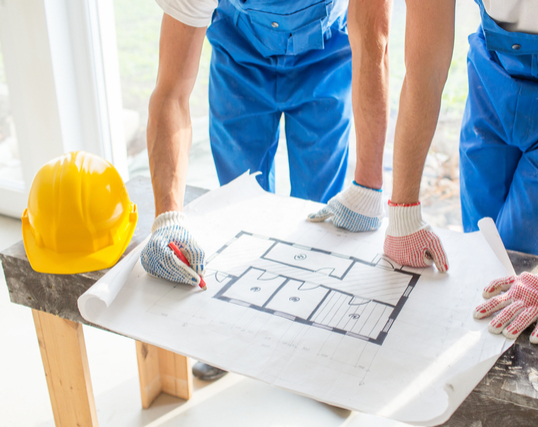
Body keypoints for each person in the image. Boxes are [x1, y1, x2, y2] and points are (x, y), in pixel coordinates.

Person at [336, 0, 538, 345]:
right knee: (480, 250)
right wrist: (403, 211)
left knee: (518, 266)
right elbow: (424, 70)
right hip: (490, 89)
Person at [139, 0, 392, 380]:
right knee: (239, 205)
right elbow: (171, 92)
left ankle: (317, 348)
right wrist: (168, 217)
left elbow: (374, 44)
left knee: (321, 215)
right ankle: (236, 327)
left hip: (325, 53)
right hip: (239, 59)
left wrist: (369, 186)